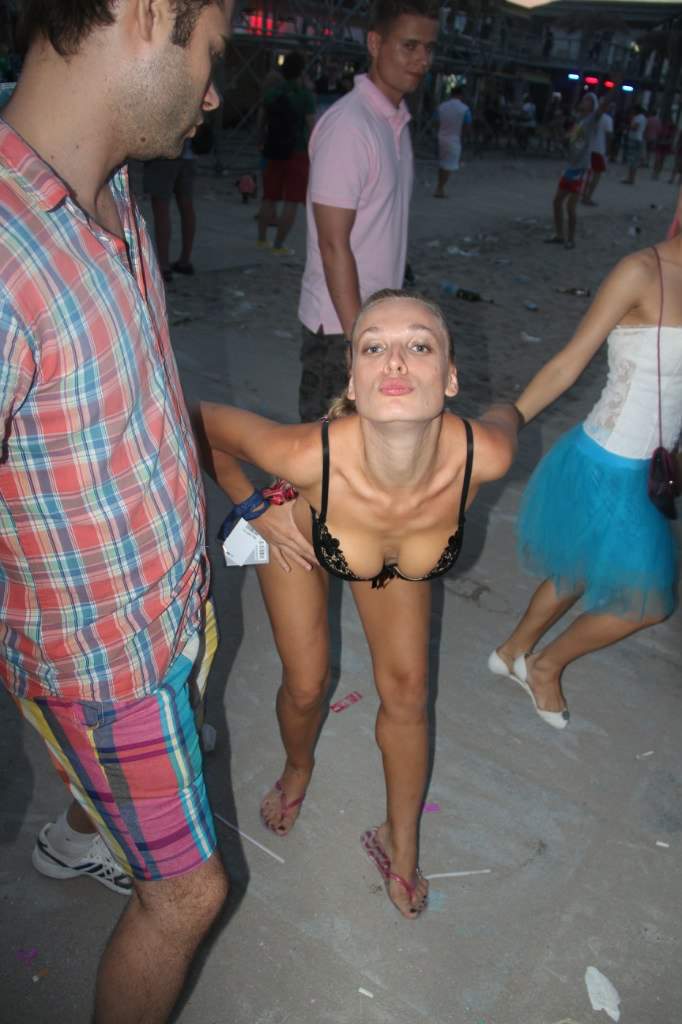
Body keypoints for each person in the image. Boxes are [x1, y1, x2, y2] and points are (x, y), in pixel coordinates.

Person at [0, 2, 231, 1021]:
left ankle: (81, 828)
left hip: (170, 609)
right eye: (211, 54)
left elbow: (130, 403)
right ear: (148, 13)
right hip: (104, 669)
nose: (212, 95)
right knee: (188, 895)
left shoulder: (112, 189)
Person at [197, 290, 520, 918]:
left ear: (450, 376)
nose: (395, 361)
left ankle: (402, 840)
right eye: (374, 347)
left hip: (392, 544)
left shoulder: (484, 453)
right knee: (306, 685)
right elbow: (194, 417)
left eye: (419, 345)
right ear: (352, 379)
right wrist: (254, 507)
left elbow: (509, 415)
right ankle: (297, 767)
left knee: (407, 692)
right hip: (302, 534)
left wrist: (517, 405)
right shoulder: (301, 451)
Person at [489, 222, 682, 728]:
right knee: (649, 604)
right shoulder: (641, 271)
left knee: (576, 569)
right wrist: (507, 423)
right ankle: (545, 666)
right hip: (607, 460)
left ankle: (511, 651)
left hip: (651, 466)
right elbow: (568, 364)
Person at [297, 0, 440, 424]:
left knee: (369, 446)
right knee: (326, 448)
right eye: (409, 46)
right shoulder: (350, 126)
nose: (421, 60)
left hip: (378, 322)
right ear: (375, 43)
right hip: (341, 327)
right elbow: (332, 243)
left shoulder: (394, 121)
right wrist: (359, 341)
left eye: (429, 48)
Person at [257, 51, 316, 255]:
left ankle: (261, 239)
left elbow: (260, 121)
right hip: (297, 151)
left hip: (273, 149)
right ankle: (278, 245)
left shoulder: (272, 93)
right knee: (292, 201)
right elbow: (312, 126)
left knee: (269, 196)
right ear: (301, 71)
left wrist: (260, 141)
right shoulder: (305, 96)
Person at [545, 91, 610, 250]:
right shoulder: (580, 122)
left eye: (588, 100)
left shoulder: (592, 120)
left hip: (581, 168)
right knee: (557, 201)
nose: (584, 101)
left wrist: (616, 85)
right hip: (571, 167)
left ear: (593, 106)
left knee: (570, 206)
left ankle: (570, 239)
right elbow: (568, 140)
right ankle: (560, 235)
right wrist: (558, 129)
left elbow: (604, 105)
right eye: (584, 99)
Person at [144, 139, 198, 283]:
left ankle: (164, 265)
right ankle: (184, 260)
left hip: (163, 155)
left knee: (161, 209)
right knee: (186, 205)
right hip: (188, 154)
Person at [433, 84, 471, 198]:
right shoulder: (464, 109)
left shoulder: (442, 106)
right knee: (450, 165)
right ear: (461, 95)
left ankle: (439, 187)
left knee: (442, 164)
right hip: (454, 138)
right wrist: (464, 137)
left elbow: (436, 121)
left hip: (441, 137)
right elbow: (467, 125)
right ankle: (440, 188)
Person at [581, 105, 613, 206]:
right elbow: (609, 136)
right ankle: (588, 197)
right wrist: (608, 150)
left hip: (588, 148)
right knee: (596, 176)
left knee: (587, 174)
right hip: (599, 149)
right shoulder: (607, 119)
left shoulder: (590, 117)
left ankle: (583, 194)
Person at [622, 105, 647, 185]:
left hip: (635, 139)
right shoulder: (643, 117)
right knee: (634, 159)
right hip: (638, 138)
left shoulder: (638, 117)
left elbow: (634, 127)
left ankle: (630, 178)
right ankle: (631, 178)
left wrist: (629, 125)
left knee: (632, 159)